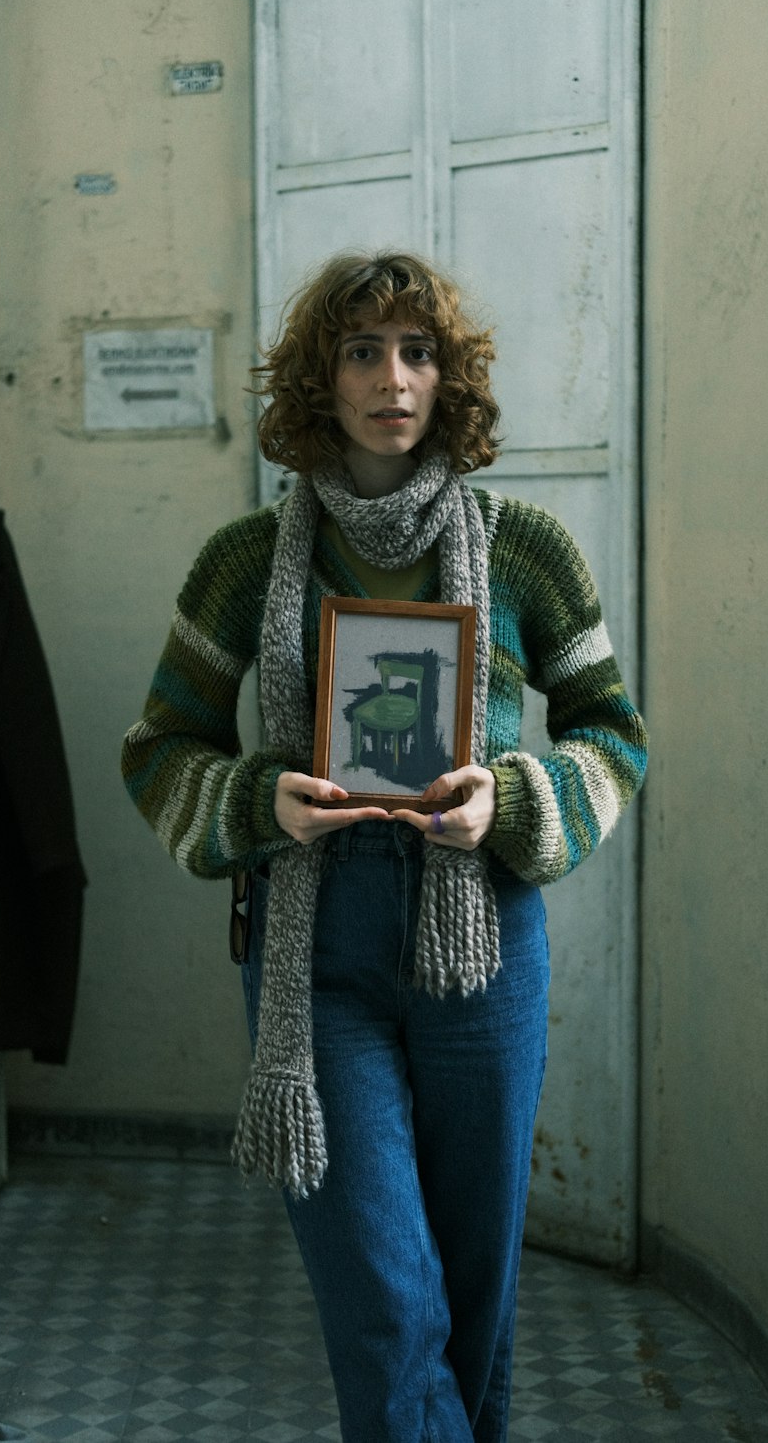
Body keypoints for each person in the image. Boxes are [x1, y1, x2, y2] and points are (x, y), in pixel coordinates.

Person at [121, 250, 647, 1442]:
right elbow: (158, 748)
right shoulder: (245, 562)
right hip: (317, 955)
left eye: (419, 352)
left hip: (483, 949)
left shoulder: (528, 551)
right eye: (362, 351)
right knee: (385, 1304)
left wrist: (511, 799)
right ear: (322, 377)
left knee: (471, 1301)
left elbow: (617, 736)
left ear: (448, 378)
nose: (392, 378)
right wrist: (262, 800)